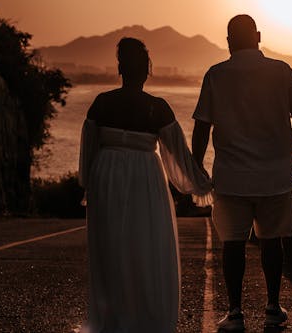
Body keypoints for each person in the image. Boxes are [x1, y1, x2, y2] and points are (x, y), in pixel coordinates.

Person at [191, 15, 292, 331]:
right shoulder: (281, 72)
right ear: (258, 36)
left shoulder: (216, 75)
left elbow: (202, 125)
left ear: (228, 41)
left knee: (233, 244)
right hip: (276, 176)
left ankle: (236, 312)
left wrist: (195, 166)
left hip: (231, 177)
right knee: (272, 242)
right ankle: (271, 306)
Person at [78, 37, 212, 333]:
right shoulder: (158, 108)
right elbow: (179, 156)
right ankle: (145, 316)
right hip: (145, 178)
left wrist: (89, 184)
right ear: (146, 71)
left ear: (120, 68)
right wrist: (202, 184)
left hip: (106, 176)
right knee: (145, 245)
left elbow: (87, 150)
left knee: (111, 248)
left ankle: (112, 316)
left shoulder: (101, 103)